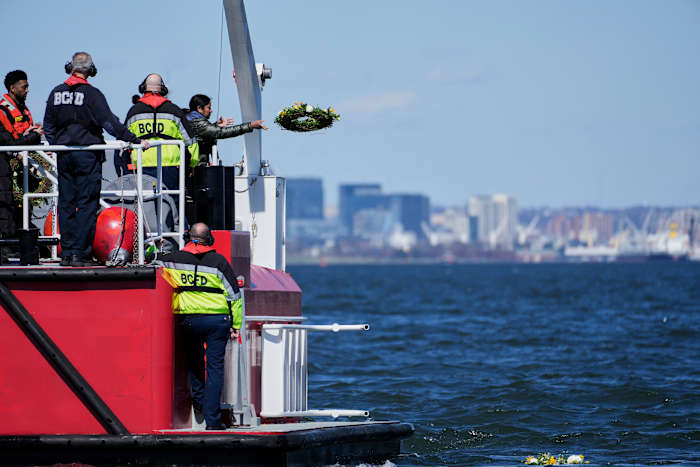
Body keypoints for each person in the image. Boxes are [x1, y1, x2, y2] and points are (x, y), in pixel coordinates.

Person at [43, 52, 149, 267]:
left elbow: (48, 125)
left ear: (70, 67)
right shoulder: (92, 94)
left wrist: (57, 145)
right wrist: (134, 140)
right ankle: (80, 254)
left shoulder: (56, 93)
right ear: (90, 70)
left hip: (64, 155)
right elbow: (109, 123)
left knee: (66, 203)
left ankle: (67, 254)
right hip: (87, 156)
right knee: (87, 204)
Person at [158, 222, 242, 430]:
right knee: (214, 369)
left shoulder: (171, 260)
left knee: (195, 364)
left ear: (188, 237)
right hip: (217, 321)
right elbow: (235, 296)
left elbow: (154, 265)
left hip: (188, 319)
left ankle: (198, 404)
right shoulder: (219, 262)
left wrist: (156, 249)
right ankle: (213, 422)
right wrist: (236, 324)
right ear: (210, 239)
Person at [125, 74, 198, 190]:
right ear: (163, 89)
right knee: (171, 200)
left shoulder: (134, 112)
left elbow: (123, 142)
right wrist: (191, 166)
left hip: (141, 165)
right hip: (170, 166)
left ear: (143, 88)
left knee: (145, 200)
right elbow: (191, 143)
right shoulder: (174, 111)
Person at [0, 70, 43, 248]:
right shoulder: (2, 111)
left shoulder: (23, 110)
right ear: (12, 88)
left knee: (23, 208)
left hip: (22, 170)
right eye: (24, 87)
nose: (27, 90)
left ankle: (21, 246)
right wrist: (33, 137)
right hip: (6, 169)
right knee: (5, 206)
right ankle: (8, 248)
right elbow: (10, 142)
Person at [185, 94, 267, 166]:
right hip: (196, 169)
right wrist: (250, 126)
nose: (211, 110)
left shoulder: (192, 120)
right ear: (199, 108)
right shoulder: (198, 123)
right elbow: (222, 132)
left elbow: (203, 132)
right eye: (208, 108)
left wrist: (215, 125)